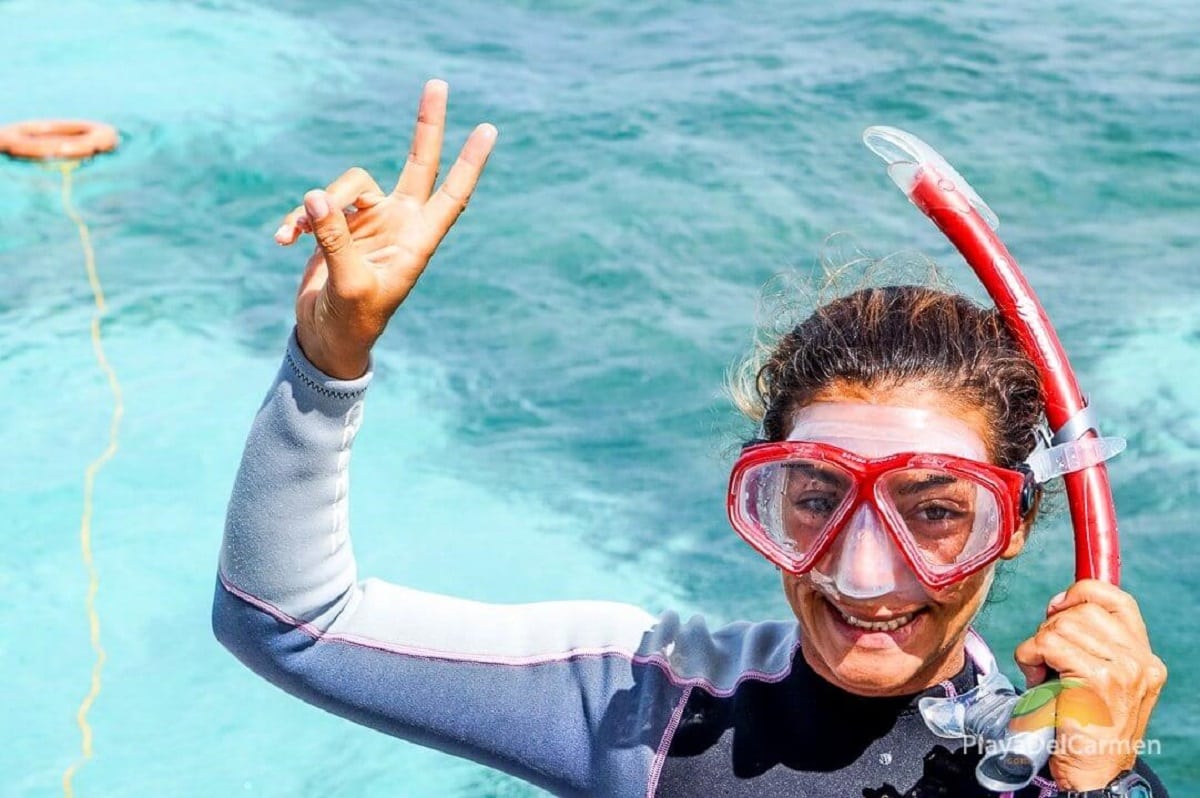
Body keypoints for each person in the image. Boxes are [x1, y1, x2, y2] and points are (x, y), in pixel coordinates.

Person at [213, 80, 1168, 797]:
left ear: (1017, 517)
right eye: (818, 500)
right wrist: (326, 360)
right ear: (763, 497)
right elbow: (290, 623)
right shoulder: (649, 708)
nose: (867, 573)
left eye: (936, 512)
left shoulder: (1065, 753)